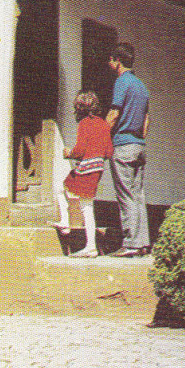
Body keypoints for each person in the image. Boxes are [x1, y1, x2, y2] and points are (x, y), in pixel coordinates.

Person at [106, 42, 151, 256]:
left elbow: (114, 113)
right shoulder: (141, 86)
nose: (109, 63)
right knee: (137, 194)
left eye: (111, 60)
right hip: (139, 145)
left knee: (125, 195)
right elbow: (146, 119)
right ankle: (142, 243)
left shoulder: (122, 82)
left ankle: (131, 243)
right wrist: (139, 139)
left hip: (123, 144)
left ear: (117, 61)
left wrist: (101, 136)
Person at [55, 90, 111, 258]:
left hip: (86, 167)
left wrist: (68, 153)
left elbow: (80, 150)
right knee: (71, 191)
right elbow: (109, 151)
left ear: (79, 108)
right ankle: (67, 225)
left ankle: (89, 245)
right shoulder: (103, 124)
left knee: (80, 202)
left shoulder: (85, 124)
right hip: (98, 168)